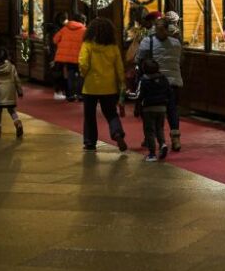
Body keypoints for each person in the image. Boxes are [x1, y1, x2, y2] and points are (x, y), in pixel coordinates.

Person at [79, 17, 128, 152]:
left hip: (91, 86)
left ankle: (90, 142)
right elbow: (119, 67)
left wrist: (83, 74)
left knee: (89, 115)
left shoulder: (87, 45)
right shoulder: (113, 47)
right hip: (109, 87)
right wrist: (121, 82)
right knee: (111, 113)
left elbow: (83, 63)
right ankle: (117, 133)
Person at [135, 19, 184, 151]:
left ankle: (149, 137)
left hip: (154, 82)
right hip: (173, 81)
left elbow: (139, 59)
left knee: (151, 110)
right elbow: (180, 60)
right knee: (172, 110)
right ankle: (175, 138)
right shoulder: (176, 43)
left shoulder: (147, 41)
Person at [0, 47, 24, 138]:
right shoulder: (12, 67)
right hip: (10, 93)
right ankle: (17, 123)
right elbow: (17, 80)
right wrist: (20, 91)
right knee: (11, 110)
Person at [137, 58, 171, 162]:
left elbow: (140, 95)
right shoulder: (163, 78)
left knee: (149, 131)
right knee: (159, 128)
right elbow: (169, 92)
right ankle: (162, 144)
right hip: (162, 108)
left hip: (148, 108)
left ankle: (152, 153)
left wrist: (138, 107)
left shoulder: (144, 80)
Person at [53, 13, 86, 102]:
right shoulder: (84, 30)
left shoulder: (65, 28)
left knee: (70, 75)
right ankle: (80, 95)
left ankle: (71, 95)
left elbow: (55, 40)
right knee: (81, 76)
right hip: (80, 57)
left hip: (67, 58)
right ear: (83, 21)